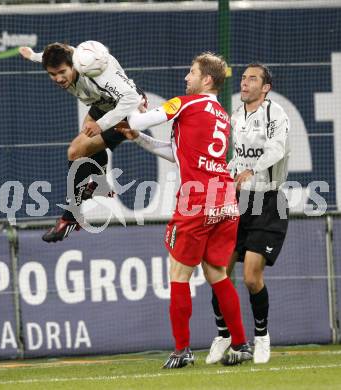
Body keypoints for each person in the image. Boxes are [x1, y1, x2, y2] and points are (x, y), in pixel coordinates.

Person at [120, 52, 252, 368]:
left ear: (207, 79)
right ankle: (241, 344)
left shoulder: (186, 103)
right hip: (225, 197)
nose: (185, 78)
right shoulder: (222, 114)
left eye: (191, 72)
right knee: (217, 274)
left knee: (179, 275)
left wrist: (134, 109)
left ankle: (182, 351)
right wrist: (140, 140)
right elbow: (177, 154)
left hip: (197, 199)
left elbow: (137, 119)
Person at [205, 63, 290, 365]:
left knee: (252, 276)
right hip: (238, 203)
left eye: (252, 79)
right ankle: (224, 333)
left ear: (265, 87)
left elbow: (277, 149)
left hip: (268, 203)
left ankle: (262, 337)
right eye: (242, 78)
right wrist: (226, 175)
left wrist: (252, 170)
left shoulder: (275, 115)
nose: (244, 83)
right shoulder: (235, 117)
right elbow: (234, 159)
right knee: (219, 273)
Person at [19, 41, 145, 242]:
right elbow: (61, 51)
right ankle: (100, 183)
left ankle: (70, 217)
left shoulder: (92, 71)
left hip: (127, 111)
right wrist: (33, 55)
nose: (58, 79)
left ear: (73, 65)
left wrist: (102, 124)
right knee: (84, 143)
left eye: (62, 72)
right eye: (52, 74)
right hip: (103, 104)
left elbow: (130, 99)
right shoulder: (68, 58)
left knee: (75, 151)